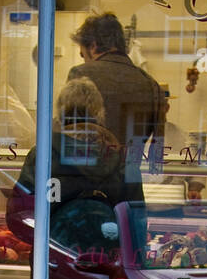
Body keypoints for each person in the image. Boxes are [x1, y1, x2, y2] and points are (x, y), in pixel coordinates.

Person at [8, 78, 124, 255]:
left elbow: (20, 213)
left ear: (60, 114)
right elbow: (135, 218)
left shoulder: (43, 155)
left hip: (54, 258)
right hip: (106, 260)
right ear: (100, 113)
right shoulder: (117, 157)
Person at [66, 12, 164, 205]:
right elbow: (156, 156)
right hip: (129, 189)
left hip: (85, 191)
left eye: (83, 54)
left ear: (93, 45)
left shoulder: (81, 74)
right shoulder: (150, 83)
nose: (85, 60)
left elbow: (68, 135)